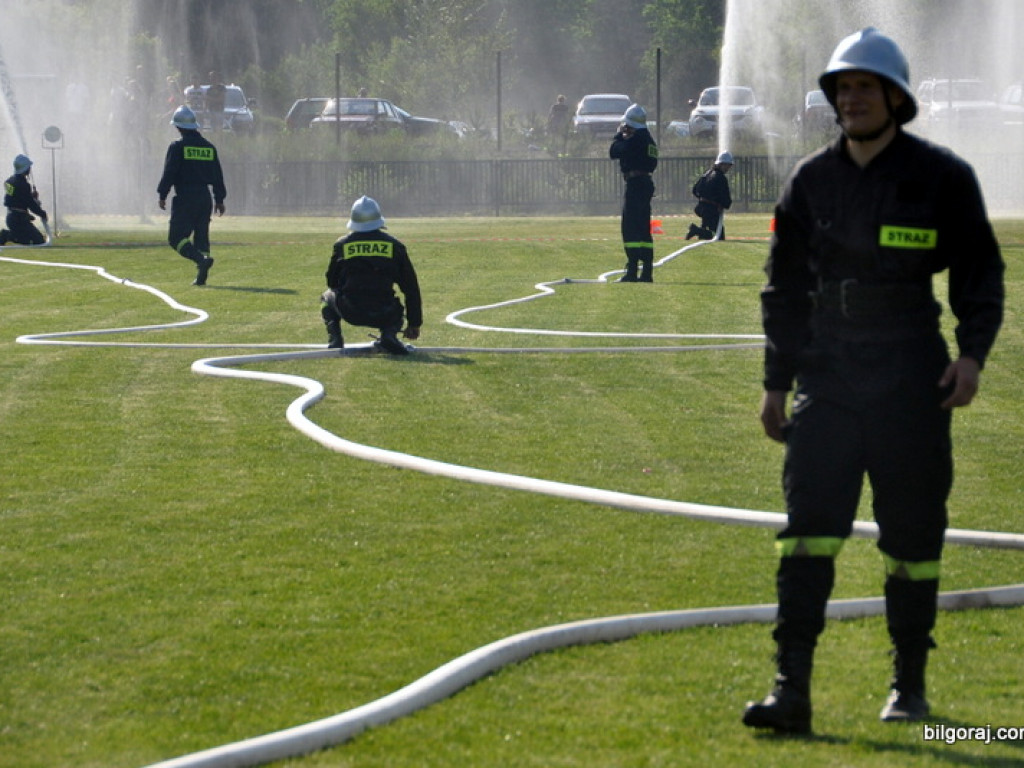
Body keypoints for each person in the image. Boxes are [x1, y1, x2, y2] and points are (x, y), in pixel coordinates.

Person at [742, 28, 1004, 735]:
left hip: (910, 380)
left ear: (897, 97)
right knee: (807, 533)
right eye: (842, 88)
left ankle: (908, 686)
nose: (851, 99)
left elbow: (980, 274)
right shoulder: (811, 182)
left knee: (913, 538)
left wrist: (971, 356)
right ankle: (790, 689)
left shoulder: (941, 179)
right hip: (827, 377)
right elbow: (783, 290)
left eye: (865, 86)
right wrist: (775, 382)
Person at [320, 195, 422, 354]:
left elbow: (331, 281)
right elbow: (411, 288)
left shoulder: (342, 245)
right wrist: (414, 323)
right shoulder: (395, 246)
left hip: (350, 310)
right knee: (397, 307)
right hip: (385, 313)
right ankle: (389, 334)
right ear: (378, 219)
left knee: (326, 297)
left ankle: (335, 339)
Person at [156, 106, 226, 285]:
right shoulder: (209, 147)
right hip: (205, 198)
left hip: (186, 197)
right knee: (201, 237)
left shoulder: (177, 147)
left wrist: (162, 193)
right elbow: (217, 175)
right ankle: (202, 275)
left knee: (176, 238)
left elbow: (170, 172)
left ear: (179, 127)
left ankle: (200, 261)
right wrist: (219, 199)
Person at [609, 103, 658, 282]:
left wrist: (620, 135)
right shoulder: (649, 140)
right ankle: (646, 272)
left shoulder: (634, 140)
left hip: (635, 184)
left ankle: (631, 270)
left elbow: (614, 151)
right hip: (645, 183)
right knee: (644, 229)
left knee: (630, 228)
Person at [1, 154, 48, 246]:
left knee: (27, 240)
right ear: (25, 168)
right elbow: (30, 204)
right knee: (38, 240)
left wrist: (30, 196)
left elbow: (16, 199)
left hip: (12, 217)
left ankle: (8, 235)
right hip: (19, 219)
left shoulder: (10, 181)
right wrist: (42, 213)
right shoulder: (24, 185)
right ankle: (6, 235)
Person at [687, 150, 733, 241]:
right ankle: (695, 230)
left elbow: (695, 190)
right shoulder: (721, 178)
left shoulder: (707, 174)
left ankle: (699, 231)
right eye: (727, 165)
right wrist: (723, 204)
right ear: (721, 164)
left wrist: (702, 199)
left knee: (705, 236)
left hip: (702, 208)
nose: (728, 168)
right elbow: (725, 197)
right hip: (712, 210)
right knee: (719, 236)